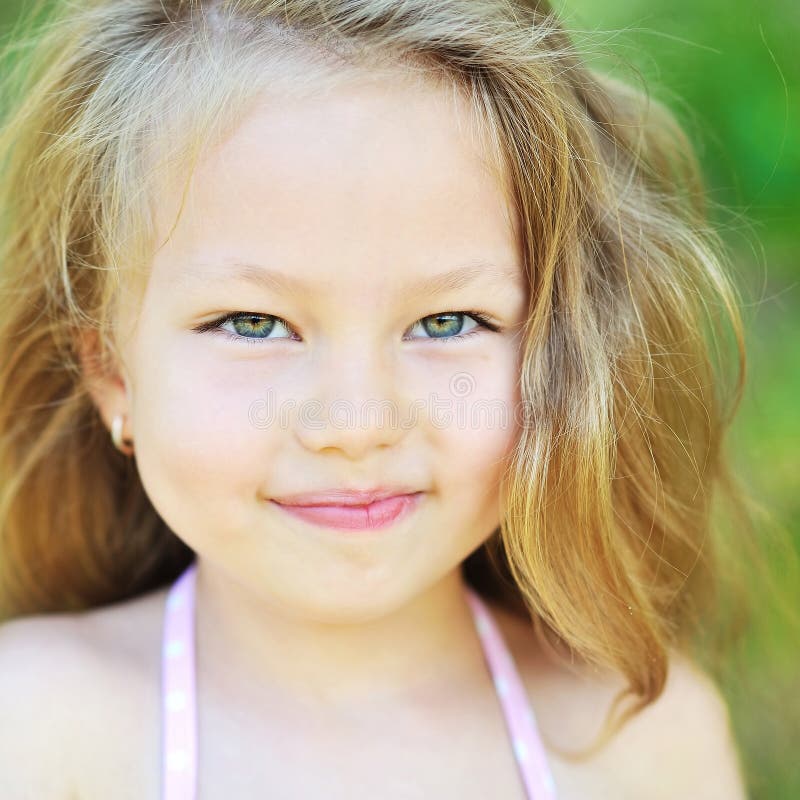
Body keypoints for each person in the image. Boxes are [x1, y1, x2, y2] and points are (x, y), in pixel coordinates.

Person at [0, 0, 749, 797]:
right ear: (112, 369)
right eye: (254, 324)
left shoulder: (641, 741)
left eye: (447, 321)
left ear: (563, 351)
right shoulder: (37, 725)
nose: (356, 426)